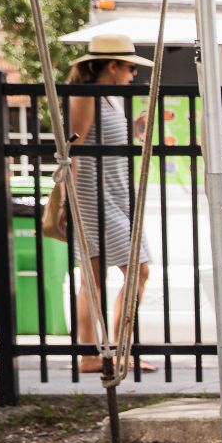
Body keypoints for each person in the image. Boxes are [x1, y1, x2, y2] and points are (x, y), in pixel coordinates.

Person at [66, 34, 156, 374]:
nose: (133, 75)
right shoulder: (87, 96)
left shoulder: (107, 99)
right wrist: (67, 202)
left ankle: (96, 354)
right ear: (113, 66)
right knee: (136, 270)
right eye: (130, 68)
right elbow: (73, 150)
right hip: (94, 198)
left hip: (114, 196)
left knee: (94, 278)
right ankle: (117, 351)